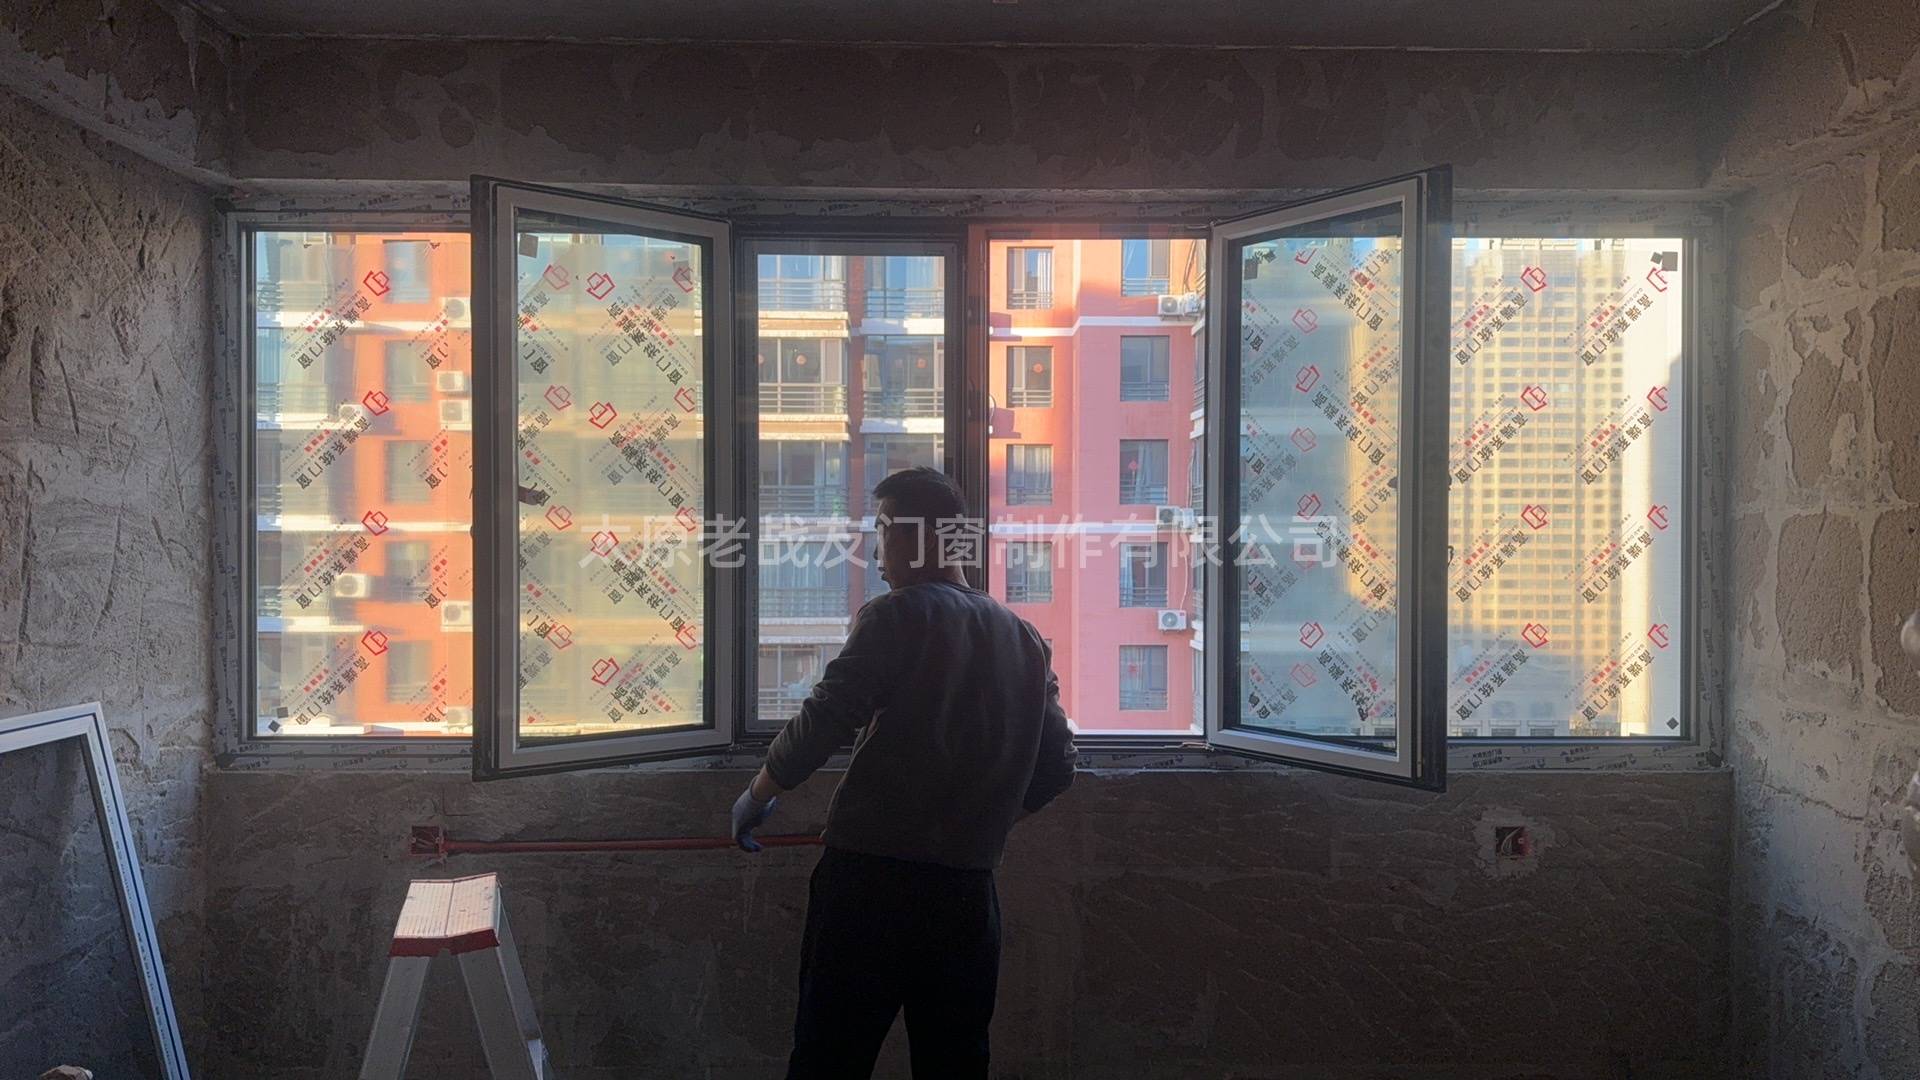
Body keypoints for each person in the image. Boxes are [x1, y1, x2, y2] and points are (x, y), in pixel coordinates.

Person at [730, 466, 1077, 1079]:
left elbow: (826, 719)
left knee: (829, 1058)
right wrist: (978, 822)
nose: (876, 553)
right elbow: (1056, 768)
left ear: (915, 535)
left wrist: (759, 793)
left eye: (882, 531)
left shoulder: (896, 615)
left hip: (870, 886)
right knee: (955, 1062)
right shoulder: (1024, 640)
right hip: (967, 894)